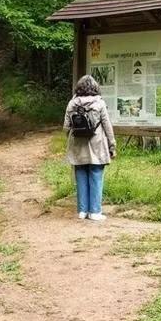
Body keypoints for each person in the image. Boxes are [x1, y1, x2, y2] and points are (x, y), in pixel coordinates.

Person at [63, 75, 116, 221]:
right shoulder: (99, 104)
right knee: (96, 175)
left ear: (79, 88)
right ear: (95, 88)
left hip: (78, 145)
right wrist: (112, 146)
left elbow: (66, 127)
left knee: (80, 175)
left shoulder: (72, 104)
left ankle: (82, 211)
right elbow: (107, 127)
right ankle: (95, 212)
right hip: (97, 145)